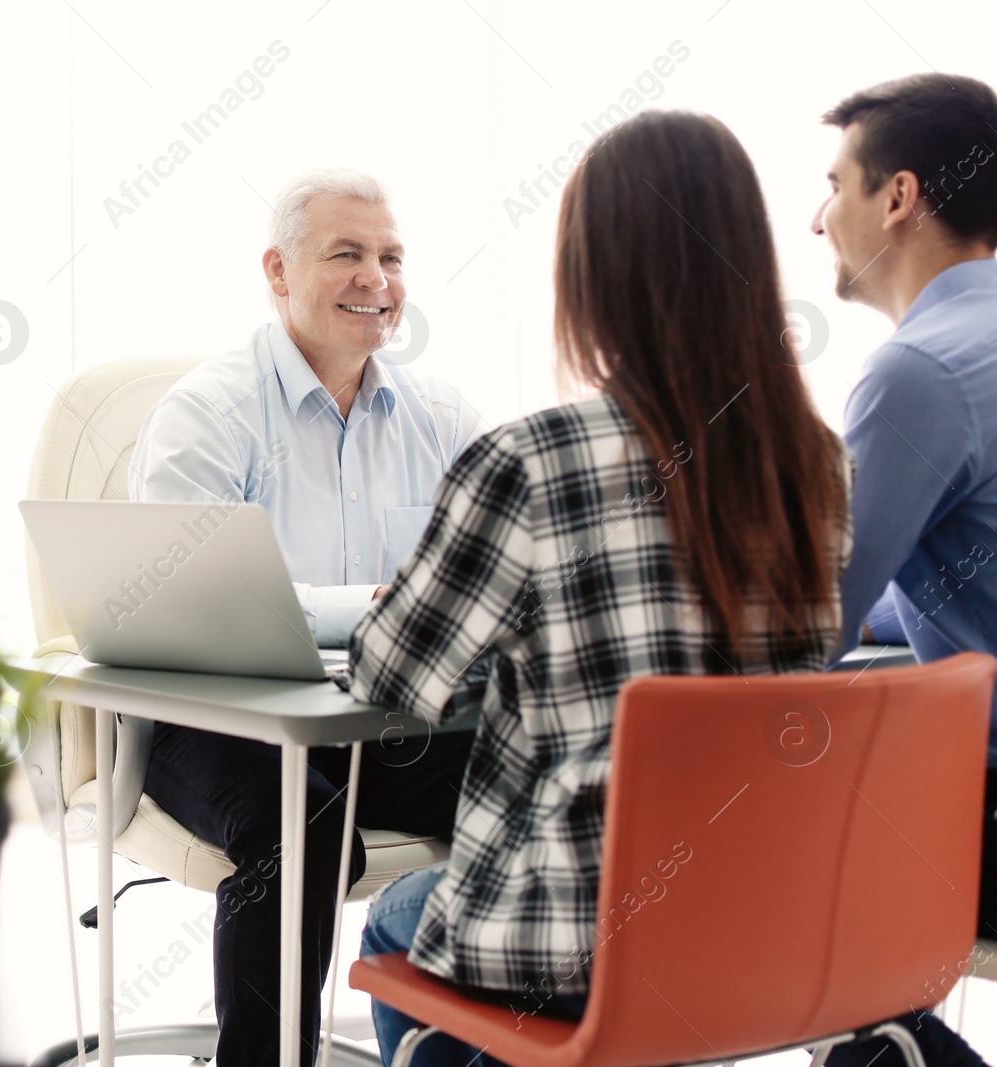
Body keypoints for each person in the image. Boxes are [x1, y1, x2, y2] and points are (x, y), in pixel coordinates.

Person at [352, 111, 858, 1067]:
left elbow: (391, 680)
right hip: (765, 918)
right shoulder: (819, 467)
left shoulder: (530, 461)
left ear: (593, 273)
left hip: (581, 926)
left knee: (397, 920)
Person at [126, 169, 480, 1067]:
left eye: (392, 257)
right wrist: (374, 607)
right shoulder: (208, 413)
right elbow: (194, 600)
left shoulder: (442, 417)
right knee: (304, 820)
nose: (378, 279)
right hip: (214, 711)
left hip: (376, 715)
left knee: (540, 771)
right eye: (347, 254)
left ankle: (476, 1042)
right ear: (278, 271)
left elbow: (482, 576)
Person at [813, 73, 997, 1066]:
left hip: (988, 814)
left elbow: (812, 625)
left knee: (716, 878)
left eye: (834, 185)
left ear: (897, 197)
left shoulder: (918, 369)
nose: (816, 218)